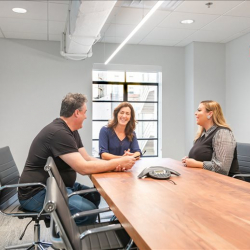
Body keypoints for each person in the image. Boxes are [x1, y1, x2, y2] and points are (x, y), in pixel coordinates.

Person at [18, 93, 136, 226]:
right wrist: (118, 162)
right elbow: (83, 168)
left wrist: (115, 165)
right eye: (85, 112)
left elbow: (87, 158)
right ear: (76, 113)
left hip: (57, 185)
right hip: (37, 192)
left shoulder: (71, 130)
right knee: (87, 211)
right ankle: (73, 242)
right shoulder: (59, 133)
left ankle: (83, 233)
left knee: (94, 195)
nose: (86, 116)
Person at [182, 100, 239, 176]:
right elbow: (203, 157)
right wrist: (189, 160)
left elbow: (222, 168)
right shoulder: (202, 135)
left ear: (210, 114)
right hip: (205, 178)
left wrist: (197, 164)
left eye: (199, 110)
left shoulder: (222, 133)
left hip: (227, 184)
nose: (195, 113)